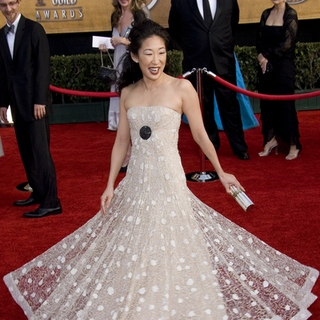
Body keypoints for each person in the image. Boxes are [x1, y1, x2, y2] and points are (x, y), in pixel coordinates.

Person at [4, 20, 318, 319]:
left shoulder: (182, 89)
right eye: (149, 53)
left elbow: (200, 135)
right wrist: (110, 184)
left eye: (162, 52)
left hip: (170, 180)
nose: (157, 60)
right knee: (135, 248)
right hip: (138, 182)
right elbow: (121, 144)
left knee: (176, 245)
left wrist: (222, 172)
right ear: (136, 56)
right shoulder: (128, 93)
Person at [0, 0, 61, 218]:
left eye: (11, 3)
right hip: (17, 105)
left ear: (19, 3)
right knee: (27, 153)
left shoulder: (34, 29)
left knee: (41, 153)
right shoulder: (1, 35)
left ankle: (52, 201)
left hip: (36, 105)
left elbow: (43, 67)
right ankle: (38, 193)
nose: (8, 9)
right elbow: (4, 73)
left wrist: (40, 101)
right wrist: (3, 103)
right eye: (3, 5)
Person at [169, 0, 250, 160]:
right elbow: (175, 29)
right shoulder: (180, 2)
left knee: (230, 105)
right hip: (195, 63)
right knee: (202, 106)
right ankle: (210, 146)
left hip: (223, 60)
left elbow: (233, 23)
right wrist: (192, 47)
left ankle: (239, 146)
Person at [257, 0, 301, 160]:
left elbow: (287, 45)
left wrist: (266, 56)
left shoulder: (291, 15)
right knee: (267, 105)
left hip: (283, 67)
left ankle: (293, 145)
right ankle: (270, 140)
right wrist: (261, 57)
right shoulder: (265, 13)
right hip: (266, 67)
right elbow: (259, 40)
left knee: (285, 105)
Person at [99, 0, 151, 132]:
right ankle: (118, 123)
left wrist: (122, 41)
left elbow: (143, 43)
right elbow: (115, 41)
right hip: (118, 61)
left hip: (132, 62)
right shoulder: (115, 16)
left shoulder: (139, 15)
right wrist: (106, 46)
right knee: (119, 88)